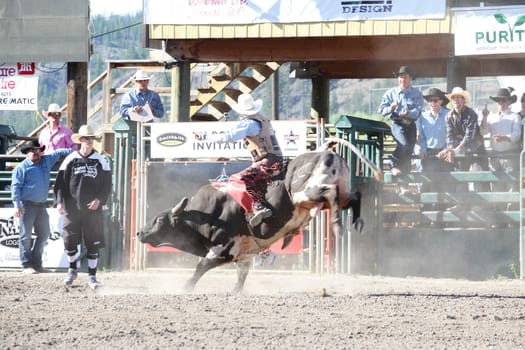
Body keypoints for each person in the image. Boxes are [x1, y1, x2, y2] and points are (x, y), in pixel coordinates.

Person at [205, 93, 283, 228]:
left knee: (241, 178)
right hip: (274, 159)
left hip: (267, 161)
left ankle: (258, 207)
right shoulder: (262, 120)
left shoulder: (248, 124)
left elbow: (228, 137)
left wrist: (206, 136)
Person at [54, 125, 112, 289]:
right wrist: (59, 201)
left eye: (92, 138)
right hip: (72, 208)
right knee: (69, 240)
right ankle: (72, 269)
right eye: (87, 138)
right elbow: (60, 184)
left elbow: (107, 185)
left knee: (92, 242)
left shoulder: (101, 161)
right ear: (80, 140)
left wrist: (99, 200)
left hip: (92, 210)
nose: (90, 141)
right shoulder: (70, 159)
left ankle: (92, 276)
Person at [11, 140, 74, 274]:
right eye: (32, 151)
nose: (36, 153)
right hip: (26, 204)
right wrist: (17, 205)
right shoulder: (21, 168)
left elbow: (59, 152)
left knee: (44, 234)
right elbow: (15, 187)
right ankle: (26, 264)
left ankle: (37, 264)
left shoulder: (46, 161)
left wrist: (76, 152)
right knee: (25, 236)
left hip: (40, 205)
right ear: (27, 153)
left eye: (38, 150)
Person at [439, 87, 489, 207]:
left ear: (463, 100)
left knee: (478, 175)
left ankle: (482, 206)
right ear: (451, 101)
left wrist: (455, 149)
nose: (456, 100)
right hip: (462, 150)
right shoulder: (449, 117)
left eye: (458, 97)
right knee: (460, 175)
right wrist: (451, 149)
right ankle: (461, 204)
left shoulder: (471, 113)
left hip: (476, 149)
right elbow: (450, 136)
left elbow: (469, 136)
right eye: (454, 97)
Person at [378, 66, 425, 176]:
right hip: (398, 124)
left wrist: (408, 113)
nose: (402, 79)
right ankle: (392, 163)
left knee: (409, 152)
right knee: (403, 144)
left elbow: (419, 111)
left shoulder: (417, 94)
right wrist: (391, 108)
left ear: (410, 78)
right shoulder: (390, 93)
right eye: (400, 77)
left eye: (405, 77)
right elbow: (381, 110)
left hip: (411, 125)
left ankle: (404, 184)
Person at [480, 87, 521, 197]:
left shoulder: (515, 116)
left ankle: (510, 209)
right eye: (499, 100)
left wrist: (504, 138)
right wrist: (484, 116)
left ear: (509, 101)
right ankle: (498, 210)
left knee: (511, 185)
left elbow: (517, 135)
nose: (501, 103)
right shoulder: (491, 117)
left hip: (510, 156)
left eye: (504, 100)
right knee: (496, 185)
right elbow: (483, 131)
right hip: (495, 156)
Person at [416, 88, 451, 209]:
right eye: (430, 101)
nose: (432, 103)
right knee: (427, 183)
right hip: (430, 154)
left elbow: (450, 136)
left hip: (444, 153)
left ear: (441, 101)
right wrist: (423, 149)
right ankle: (426, 214)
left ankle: (442, 216)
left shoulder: (448, 114)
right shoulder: (423, 117)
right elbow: (421, 137)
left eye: (435, 100)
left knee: (443, 184)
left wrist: (446, 149)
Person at [38, 103, 77, 170]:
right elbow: (40, 149)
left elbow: (74, 150)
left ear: (60, 116)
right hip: (45, 164)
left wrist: (60, 152)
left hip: (61, 164)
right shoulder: (43, 133)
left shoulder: (67, 132)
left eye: (57, 114)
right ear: (48, 116)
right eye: (51, 114)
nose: (54, 116)